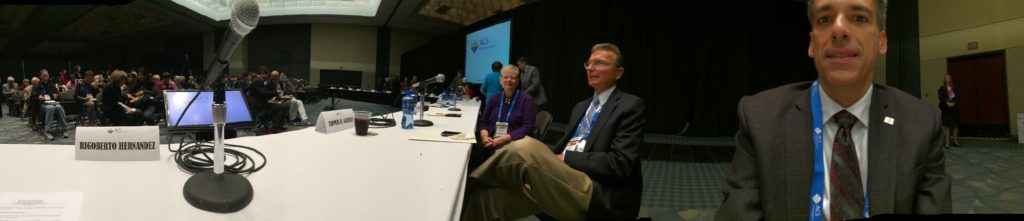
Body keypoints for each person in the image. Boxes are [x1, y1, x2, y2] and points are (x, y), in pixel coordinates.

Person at [717, 0, 951, 220]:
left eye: (859, 18)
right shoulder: (760, 119)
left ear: (882, 41)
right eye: (825, 19)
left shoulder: (921, 124)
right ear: (812, 44)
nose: (839, 29)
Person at [463, 43, 646, 221]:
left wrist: (565, 158)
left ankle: (467, 181)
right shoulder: (581, 107)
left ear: (618, 72)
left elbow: (619, 164)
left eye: (599, 63)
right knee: (485, 201)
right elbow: (561, 148)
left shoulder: (629, 106)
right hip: (558, 177)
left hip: (595, 189)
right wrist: (551, 160)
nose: (590, 68)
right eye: (588, 64)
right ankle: (470, 186)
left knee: (524, 146)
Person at [470, 64, 536, 170]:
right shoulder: (494, 99)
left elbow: (528, 127)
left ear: (517, 81)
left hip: (512, 141)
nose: (508, 80)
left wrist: (502, 139)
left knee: (494, 154)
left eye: (512, 77)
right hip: (490, 139)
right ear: (500, 80)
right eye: (505, 77)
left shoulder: (526, 100)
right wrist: (484, 137)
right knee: (473, 149)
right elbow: (483, 121)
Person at [33, 69, 69, 140]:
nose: (46, 77)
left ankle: (65, 129)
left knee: (59, 107)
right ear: (40, 76)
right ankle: (47, 132)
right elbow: (32, 97)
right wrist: (38, 97)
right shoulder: (37, 86)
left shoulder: (52, 85)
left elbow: (57, 95)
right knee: (50, 108)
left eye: (47, 75)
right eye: (44, 76)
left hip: (52, 102)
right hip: (43, 104)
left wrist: (56, 95)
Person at [938, 74, 960, 148]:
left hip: (954, 109)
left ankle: (955, 142)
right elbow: (941, 97)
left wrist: (953, 103)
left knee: (955, 126)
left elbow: (957, 97)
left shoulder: (955, 88)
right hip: (946, 109)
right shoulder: (941, 88)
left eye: (948, 78)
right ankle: (947, 143)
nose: (946, 79)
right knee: (947, 126)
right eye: (945, 78)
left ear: (950, 79)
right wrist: (947, 103)